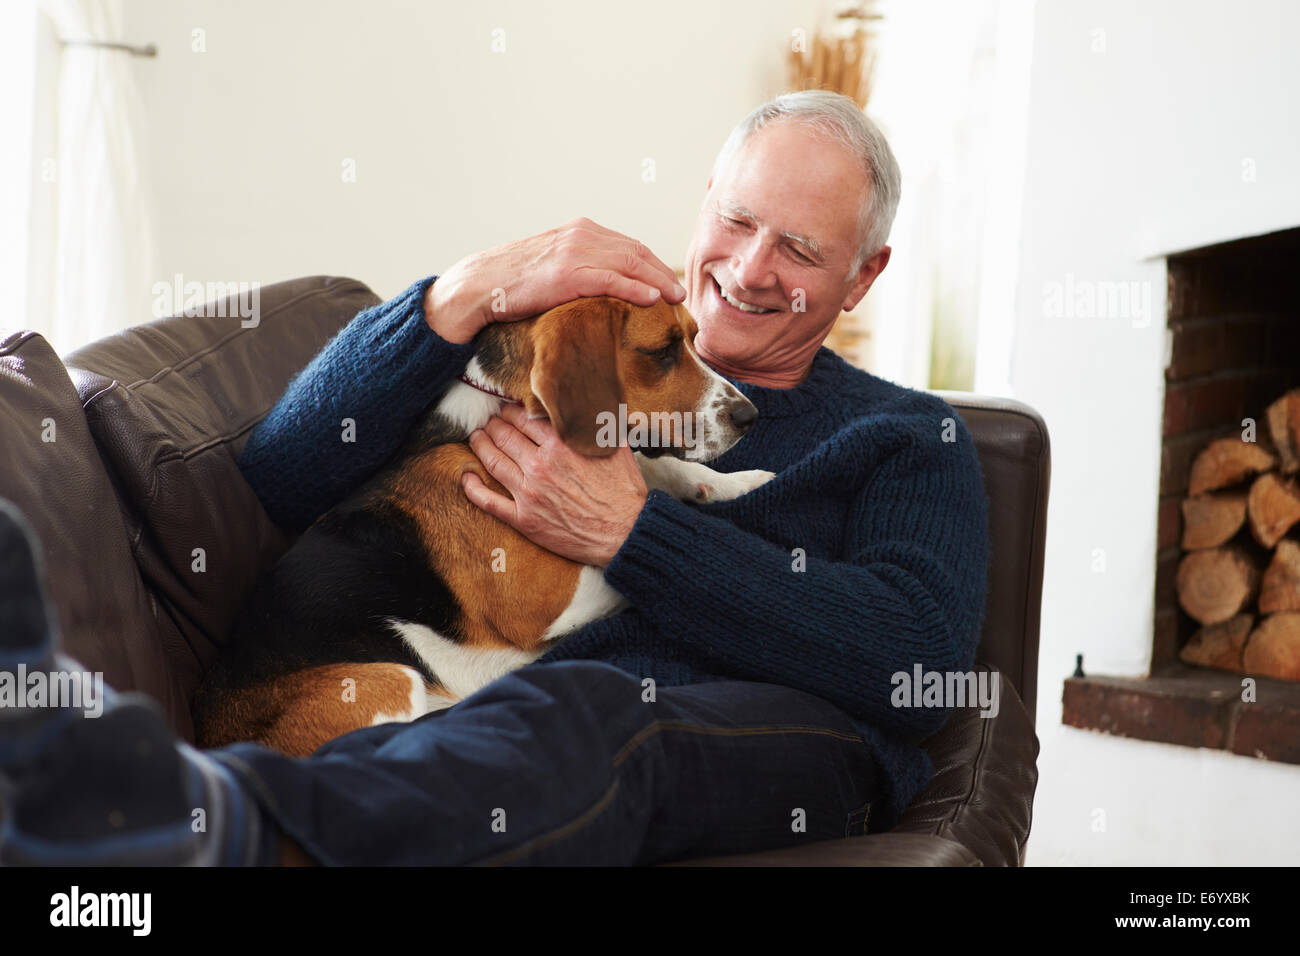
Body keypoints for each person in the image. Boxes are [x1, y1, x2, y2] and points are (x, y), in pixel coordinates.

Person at [0, 90, 989, 866]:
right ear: (704, 206)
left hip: (762, 727)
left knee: (597, 719)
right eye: (738, 221)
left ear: (864, 275)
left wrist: (634, 536)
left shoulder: (906, 434)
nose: (750, 266)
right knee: (445, 742)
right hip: (489, 720)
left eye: (802, 249)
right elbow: (280, 473)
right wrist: (467, 291)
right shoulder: (581, 356)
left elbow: (910, 654)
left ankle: (201, 834)